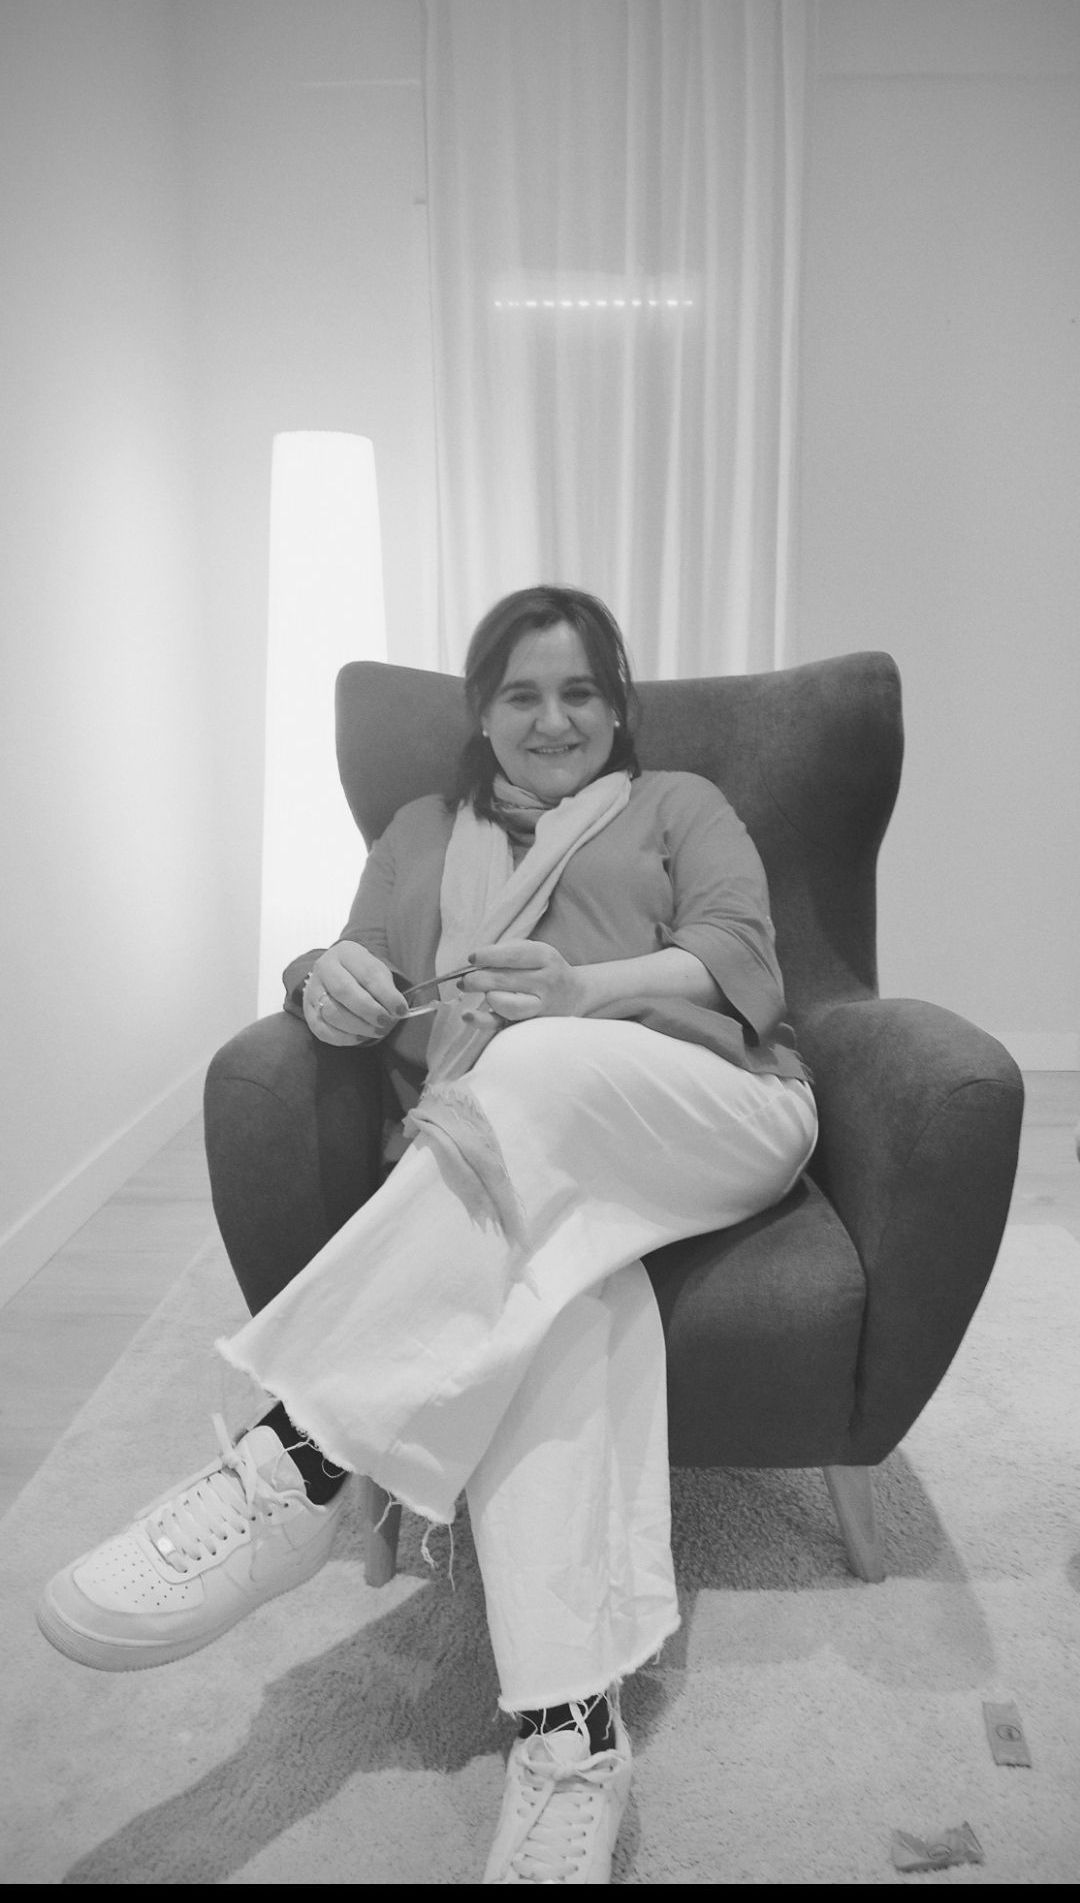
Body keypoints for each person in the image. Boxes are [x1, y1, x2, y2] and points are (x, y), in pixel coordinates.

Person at [37, 585, 817, 1884]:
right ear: (482, 712)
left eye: (581, 692)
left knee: (536, 1062)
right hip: (515, 1169)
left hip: (708, 1110)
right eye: (523, 694)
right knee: (560, 1296)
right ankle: (573, 1739)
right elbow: (354, 965)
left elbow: (740, 956)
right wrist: (321, 980)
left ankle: (301, 1459)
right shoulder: (417, 833)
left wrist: (582, 992)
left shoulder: (678, 804)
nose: (554, 718)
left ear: (618, 706)